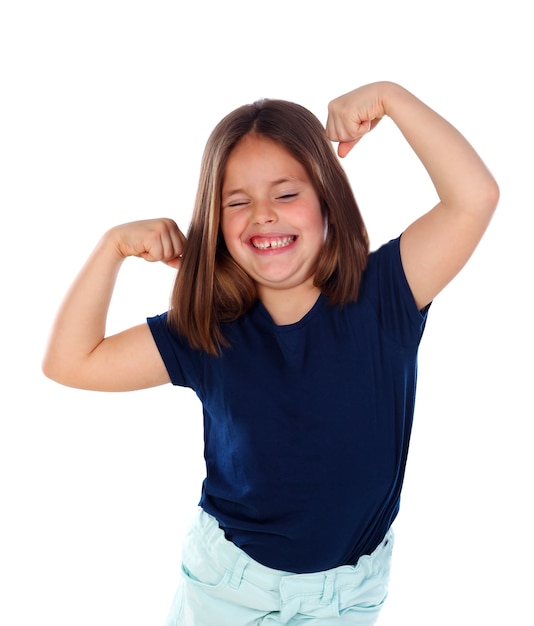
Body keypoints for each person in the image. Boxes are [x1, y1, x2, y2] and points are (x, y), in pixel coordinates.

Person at [42, 81, 498, 625]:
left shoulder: (386, 293)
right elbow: (71, 362)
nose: (263, 215)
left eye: (286, 194)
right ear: (216, 223)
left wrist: (391, 98)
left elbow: (475, 198)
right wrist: (111, 248)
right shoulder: (206, 332)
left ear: (328, 198)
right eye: (238, 202)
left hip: (349, 595)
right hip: (230, 590)